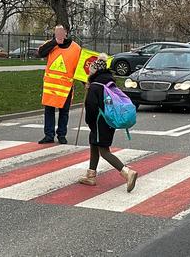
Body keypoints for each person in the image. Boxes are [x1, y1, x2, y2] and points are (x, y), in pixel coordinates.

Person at [78, 54, 138, 192]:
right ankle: (91, 175)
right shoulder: (109, 83)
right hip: (108, 122)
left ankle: (127, 172)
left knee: (104, 151)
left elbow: (91, 108)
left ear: (94, 72)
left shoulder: (95, 87)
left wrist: (89, 122)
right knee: (94, 143)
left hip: (99, 122)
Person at [37, 25, 81, 144]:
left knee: (64, 112)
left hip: (65, 87)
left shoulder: (76, 48)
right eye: (56, 31)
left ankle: (62, 135)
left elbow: (80, 68)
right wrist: (54, 42)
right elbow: (41, 53)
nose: (59, 34)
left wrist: (86, 81)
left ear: (66, 32)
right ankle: (49, 135)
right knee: (49, 111)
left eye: (61, 31)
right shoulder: (50, 45)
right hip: (50, 87)